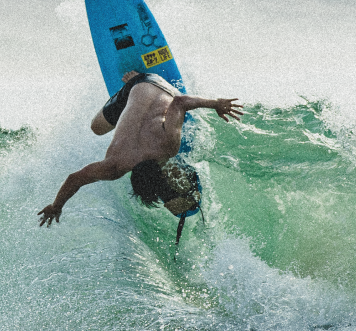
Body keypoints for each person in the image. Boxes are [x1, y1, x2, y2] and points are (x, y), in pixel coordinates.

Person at [37, 70, 243, 226]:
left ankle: (134, 88)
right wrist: (56, 206)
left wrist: (216, 104)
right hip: (142, 82)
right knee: (96, 128)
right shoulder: (114, 166)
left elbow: (180, 101)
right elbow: (75, 178)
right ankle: (132, 86)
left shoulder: (167, 148)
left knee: (98, 128)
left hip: (161, 84)